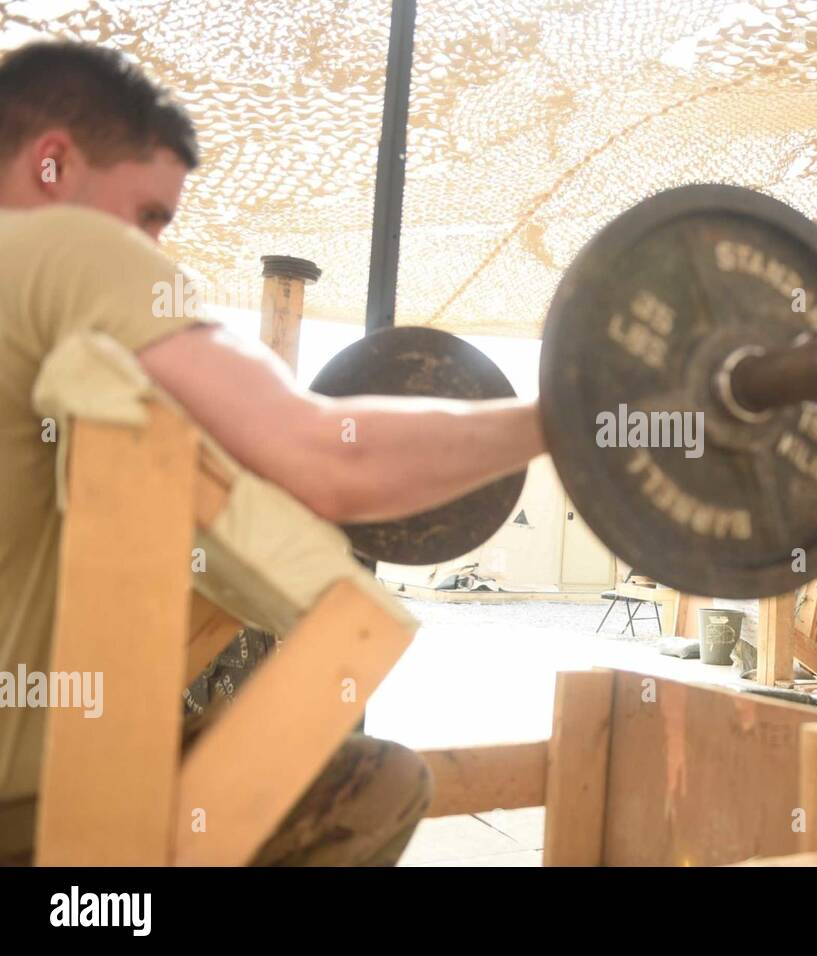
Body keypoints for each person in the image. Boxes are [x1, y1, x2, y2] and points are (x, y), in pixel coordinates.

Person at [0, 41, 546, 865]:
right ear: (51, 165)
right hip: (35, 819)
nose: (152, 249)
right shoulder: (59, 248)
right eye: (148, 215)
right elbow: (329, 460)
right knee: (373, 784)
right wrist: (567, 418)